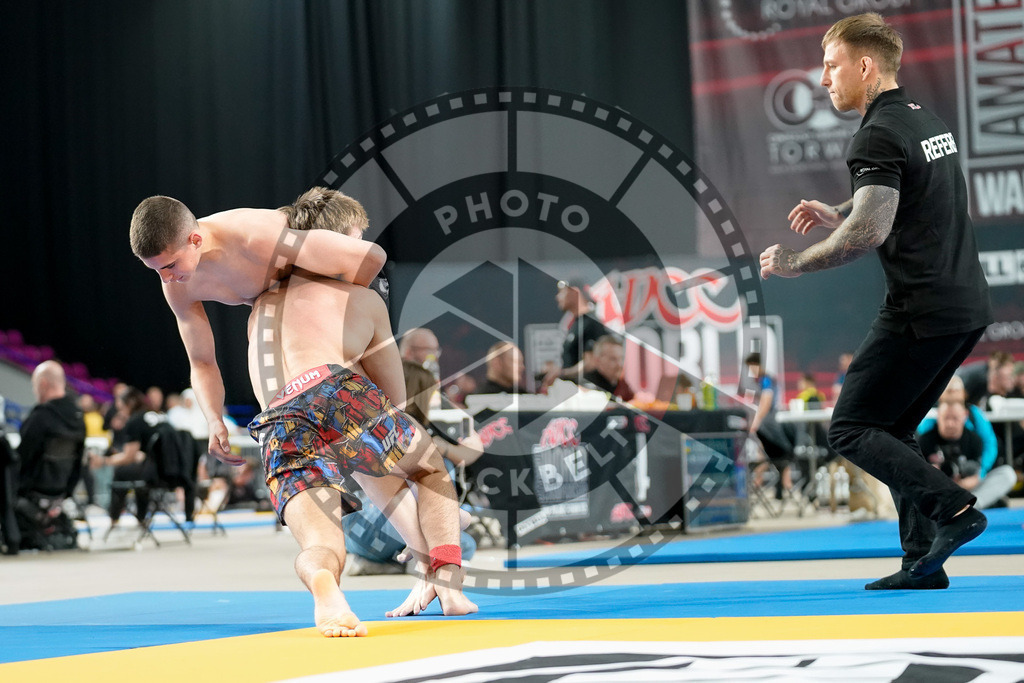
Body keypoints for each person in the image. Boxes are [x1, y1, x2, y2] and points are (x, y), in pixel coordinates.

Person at [759, 13, 993, 590]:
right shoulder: (924, 120)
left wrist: (793, 263)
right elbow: (900, 195)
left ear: (865, 66)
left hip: (922, 308)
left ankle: (956, 510)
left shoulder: (875, 133)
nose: (823, 78)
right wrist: (841, 209)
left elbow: (870, 232)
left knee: (851, 428)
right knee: (896, 427)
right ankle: (922, 563)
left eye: (832, 65)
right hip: (965, 306)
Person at [247, 271, 478, 635]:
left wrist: (215, 420)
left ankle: (325, 583)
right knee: (429, 468)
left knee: (320, 542)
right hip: (333, 390)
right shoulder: (356, 296)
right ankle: (448, 580)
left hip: (277, 416)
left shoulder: (259, 301)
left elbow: (203, 360)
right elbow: (396, 398)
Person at [129, 193, 385, 466]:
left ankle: (398, 428)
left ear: (196, 240)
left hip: (322, 264)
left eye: (170, 265)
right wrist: (214, 420)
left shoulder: (256, 238)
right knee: (265, 327)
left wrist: (348, 311)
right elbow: (202, 362)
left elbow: (372, 256)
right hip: (287, 304)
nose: (167, 278)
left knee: (271, 318)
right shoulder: (176, 286)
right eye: (156, 270)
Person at [917, 379, 1016, 510]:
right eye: (946, 418)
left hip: (968, 478)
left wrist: (979, 473)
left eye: (955, 419)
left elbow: (990, 444)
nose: (951, 424)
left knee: (1007, 474)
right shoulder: (928, 420)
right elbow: (918, 455)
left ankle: (969, 507)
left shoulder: (975, 425)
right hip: (938, 484)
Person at [17, 361, 86, 502]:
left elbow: (21, 460)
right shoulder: (78, 418)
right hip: (60, 496)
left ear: (43, 383)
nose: (34, 391)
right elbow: (78, 463)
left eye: (34, 385)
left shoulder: (41, 416)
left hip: (29, 497)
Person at [541, 278, 606, 391]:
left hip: (588, 393)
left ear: (575, 292)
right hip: (573, 391)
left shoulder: (592, 323)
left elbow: (591, 363)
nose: (557, 297)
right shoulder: (575, 324)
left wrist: (561, 373)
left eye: (562, 292)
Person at [581, 335, 635, 402]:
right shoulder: (587, 386)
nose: (620, 364)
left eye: (622, 358)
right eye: (613, 359)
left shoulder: (621, 384)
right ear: (598, 360)